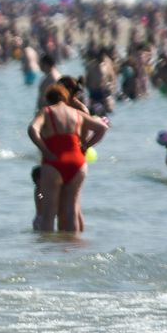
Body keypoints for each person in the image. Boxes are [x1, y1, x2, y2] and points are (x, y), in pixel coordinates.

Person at [26, 84, 107, 233]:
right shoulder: (76, 113)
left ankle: (46, 246)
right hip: (77, 162)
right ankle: (72, 244)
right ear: (65, 98)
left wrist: (44, 149)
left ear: (48, 99)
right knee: (71, 210)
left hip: (54, 160)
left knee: (49, 212)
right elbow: (102, 128)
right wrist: (86, 146)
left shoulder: (47, 111)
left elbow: (32, 129)